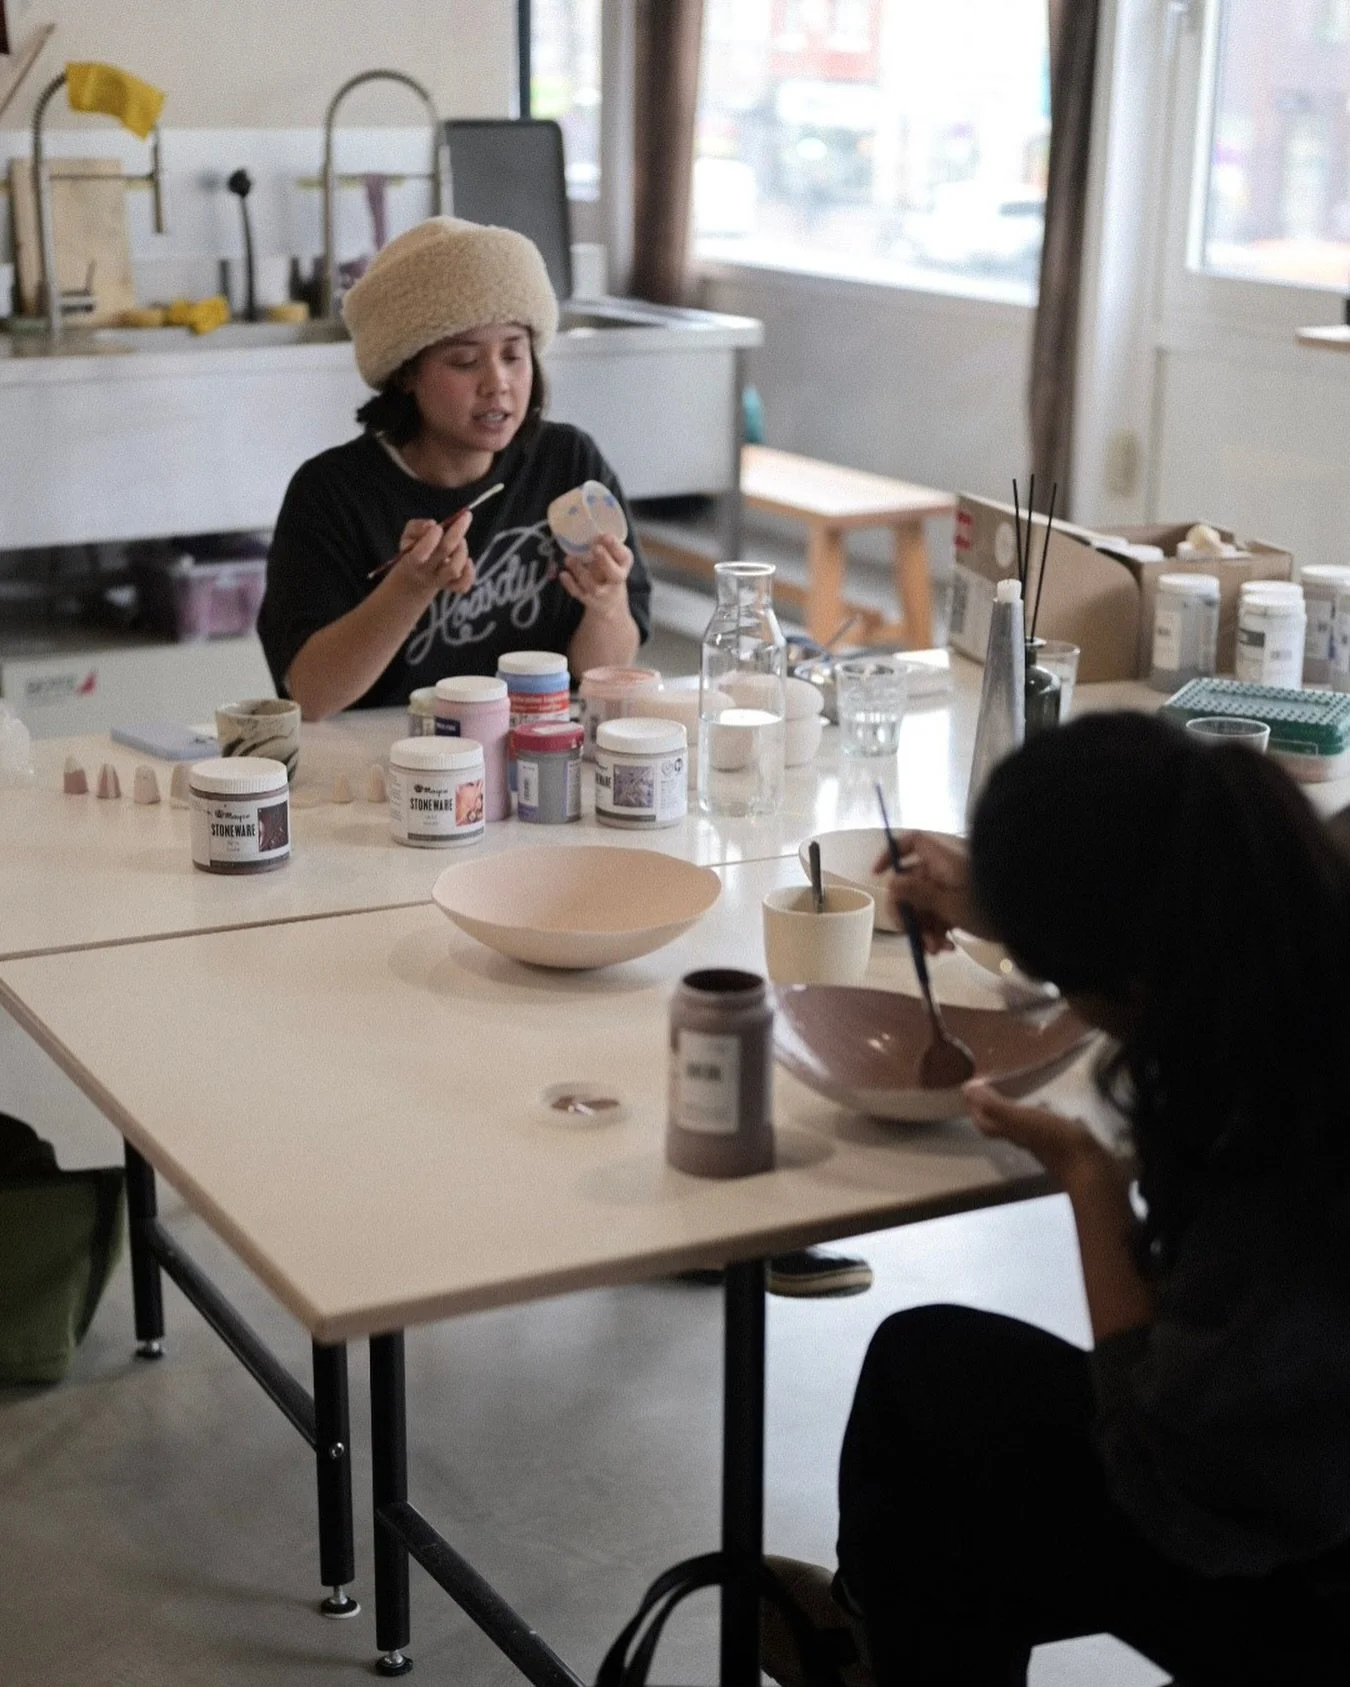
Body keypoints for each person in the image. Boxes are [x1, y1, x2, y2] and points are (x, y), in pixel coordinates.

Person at [765, 712, 1350, 1686]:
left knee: (931, 1407)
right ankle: (893, 1636)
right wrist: (1012, 903)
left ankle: (888, 1650)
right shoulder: (1302, 894)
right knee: (945, 1390)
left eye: (1059, 972)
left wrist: (1091, 1186)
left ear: (1131, 978)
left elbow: (1184, 1492)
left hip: (1301, 1576)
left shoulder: (1284, 1162)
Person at [257, 217, 651, 719]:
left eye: (514, 354)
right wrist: (408, 589)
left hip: (537, 755)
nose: (498, 382)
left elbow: (604, 674)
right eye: (465, 362)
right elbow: (310, 694)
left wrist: (607, 601)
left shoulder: (567, 464)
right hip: (391, 766)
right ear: (406, 373)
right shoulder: (332, 492)